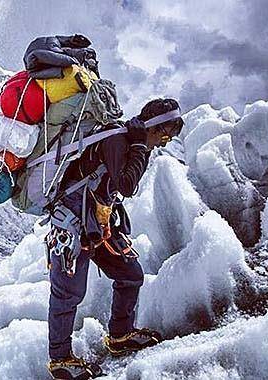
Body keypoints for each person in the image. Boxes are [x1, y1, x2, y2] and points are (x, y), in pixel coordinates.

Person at [46, 98, 184, 379]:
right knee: (68, 293)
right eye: (165, 134)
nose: (166, 142)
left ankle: (120, 335)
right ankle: (60, 360)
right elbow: (127, 185)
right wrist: (137, 147)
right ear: (153, 126)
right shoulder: (120, 141)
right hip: (71, 224)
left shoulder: (129, 140)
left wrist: (138, 146)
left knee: (131, 273)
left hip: (97, 223)